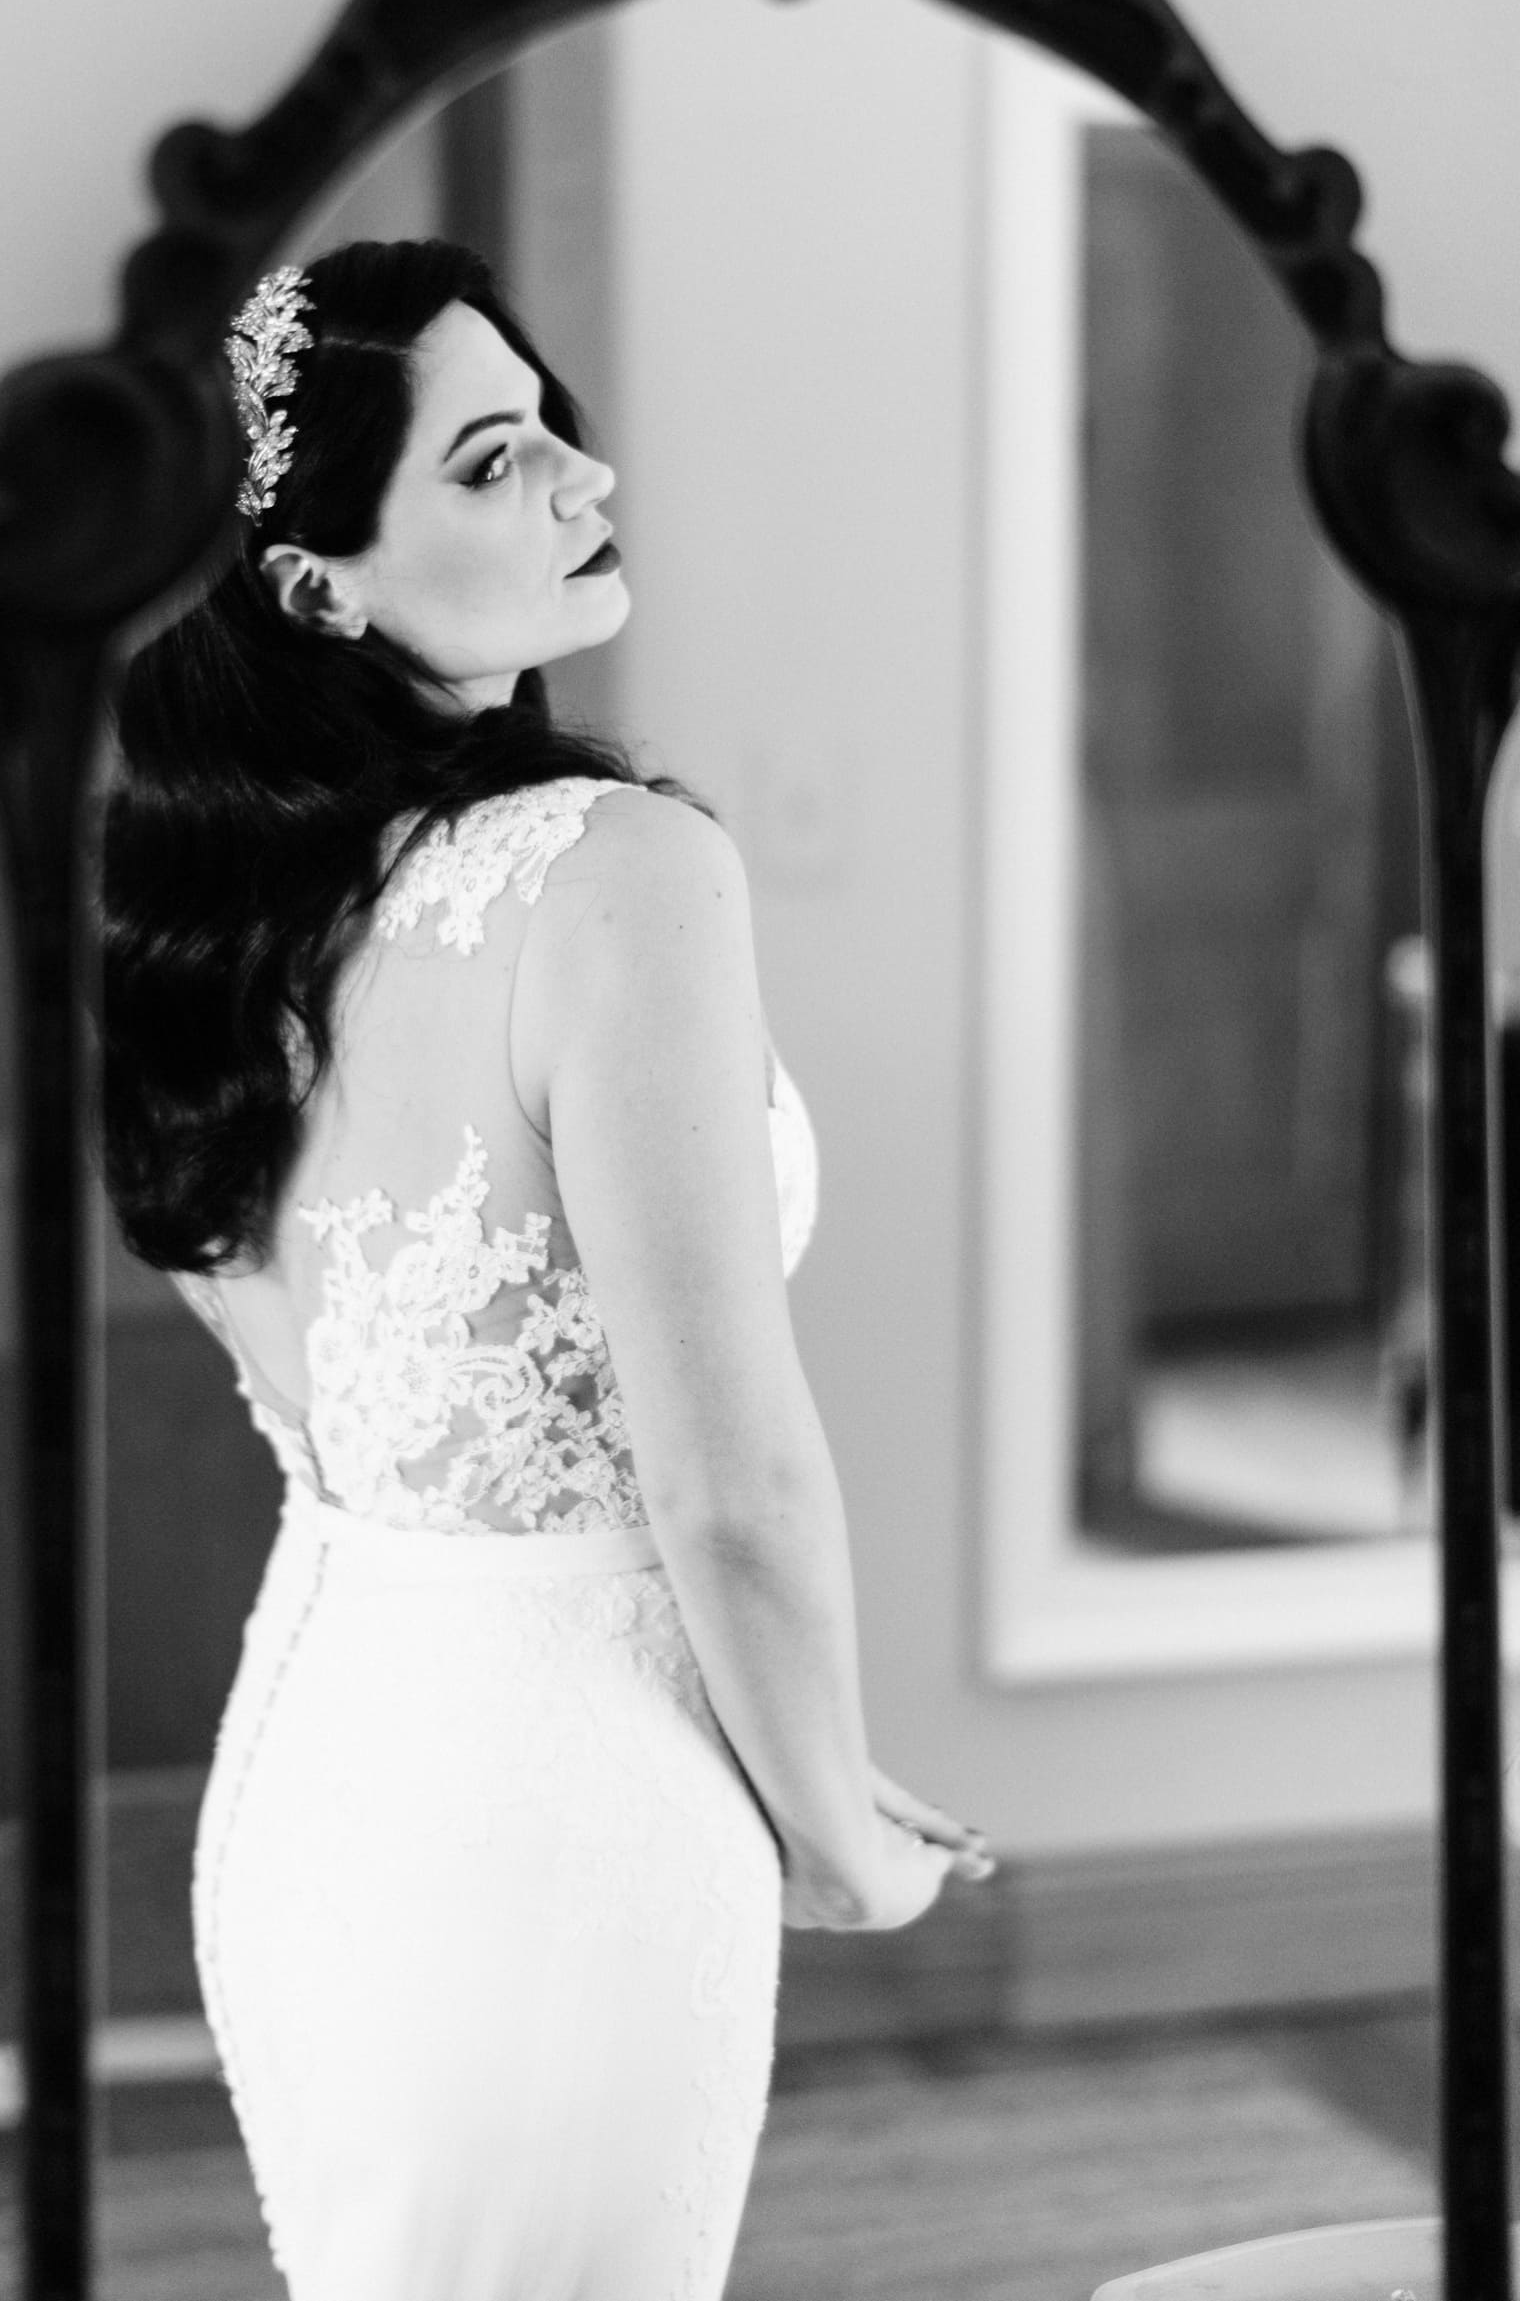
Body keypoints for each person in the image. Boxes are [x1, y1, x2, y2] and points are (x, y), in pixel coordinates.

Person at [96, 238, 993, 2301]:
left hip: (316, 1777)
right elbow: (728, 1488)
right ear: (318, 582)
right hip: (561, 1820)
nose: (585, 484)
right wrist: (838, 1835)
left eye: (548, 428)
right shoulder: (619, 880)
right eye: (494, 463)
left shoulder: (224, 924)